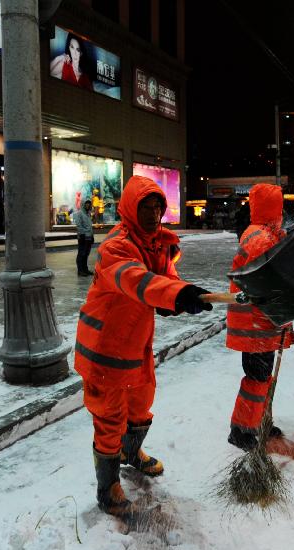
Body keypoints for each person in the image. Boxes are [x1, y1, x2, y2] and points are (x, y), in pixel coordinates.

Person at [74, 175, 213, 516]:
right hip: (105, 347)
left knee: (141, 400)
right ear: (130, 210)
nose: (153, 214)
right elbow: (134, 279)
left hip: (136, 342)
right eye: (145, 207)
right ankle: (107, 488)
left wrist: (181, 294)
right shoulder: (117, 246)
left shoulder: (156, 243)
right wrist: (175, 294)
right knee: (109, 416)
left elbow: (165, 278)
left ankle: (130, 453)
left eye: (158, 207)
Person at [225, 183, 294, 450]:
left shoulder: (267, 234)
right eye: (279, 206)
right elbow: (265, 282)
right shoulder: (260, 238)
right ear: (274, 208)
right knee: (256, 378)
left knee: (263, 377)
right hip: (256, 323)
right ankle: (241, 430)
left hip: (263, 322)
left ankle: (261, 420)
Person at [73, 199, 94, 276]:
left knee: (86, 254)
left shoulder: (88, 214)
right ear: (83, 204)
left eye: (89, 204)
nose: (88, 205)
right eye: (86, 204)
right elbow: (79, 226)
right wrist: (82, 235)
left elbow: (90, 227)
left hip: (88, 237)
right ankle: (80, 270)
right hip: (83, 237)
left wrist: (92, 236)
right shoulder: (79, 214)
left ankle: (85, 269)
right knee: (81, 254)